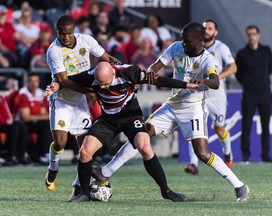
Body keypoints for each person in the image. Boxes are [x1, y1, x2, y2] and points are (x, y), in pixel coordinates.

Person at [91, 22, 250, 202]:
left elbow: (215, 82)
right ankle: (105, 172)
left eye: (187, 41)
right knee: (140, 135)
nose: (183, 44)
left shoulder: (208, 59)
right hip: (172, 106)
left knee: (202, 153)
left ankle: (239, 186)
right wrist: (151, 72)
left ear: (199, 40)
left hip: (193, 109)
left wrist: (203, 80)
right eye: (182, 40)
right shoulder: (176, 47)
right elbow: (156, 65)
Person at [47, 61, 198, 202]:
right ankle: (84, 193)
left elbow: (158, 80)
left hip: (130, 116)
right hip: (108, 119)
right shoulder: (91, 75)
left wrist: (187, 85)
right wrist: (56, 87)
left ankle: (166, 191)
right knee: (85, 151)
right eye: (100, 84)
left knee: (144, 146)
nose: (103, 87)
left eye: (106, 83)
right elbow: (67, 80)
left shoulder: (129, 72)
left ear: (113, 74)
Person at [44, 14, 119, 196]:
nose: (66, 37)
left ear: (74, 31)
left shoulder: (86, 40)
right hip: (62, 99)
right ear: (57, 32)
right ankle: (53, 168)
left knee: (86, 148)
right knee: (60, 142)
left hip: (80, 103)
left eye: (69, 34)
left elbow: (106, 58)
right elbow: (63, 80)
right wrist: (88, 91)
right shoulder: (54, 51)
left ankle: (78, 185)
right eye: (62, 34)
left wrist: (125, 70)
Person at [184, 19, 237, 174]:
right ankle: (193, 163)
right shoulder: (194, 48)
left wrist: (216, 78)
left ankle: (228, 152)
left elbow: (233, 67)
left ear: (216, 32)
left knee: (219, 128)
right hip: (199, 95)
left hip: (217, 96)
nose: (206, 30)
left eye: (210, 28)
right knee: (195, 129)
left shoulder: (221, 47)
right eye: (205, 27)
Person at [235, 25, 272, 163]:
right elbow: (238, 74)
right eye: (249, 34)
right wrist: (247, 83)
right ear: (247, 36)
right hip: (249, 94)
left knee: (266, 126)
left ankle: (266, 154)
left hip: (265, 94)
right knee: (246, 125)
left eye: (254, 34)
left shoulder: (266, 51)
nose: (252, 36)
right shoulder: (242, 53)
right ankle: (245, 155)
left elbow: (270, 68)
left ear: (258, 35)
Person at [15, 73, 52, 164]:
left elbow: (46, 114)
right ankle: (41, 154)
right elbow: (26, 117)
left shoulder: (40, 93)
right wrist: (40, 117)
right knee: (45, 124)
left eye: (36, 81)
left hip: (35, 122)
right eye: (31, 81)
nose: (34, 84)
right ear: (27, 82)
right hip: (22, 123)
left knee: (49, 124)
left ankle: (44, 154)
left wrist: (38, 117)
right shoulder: (23, 94)